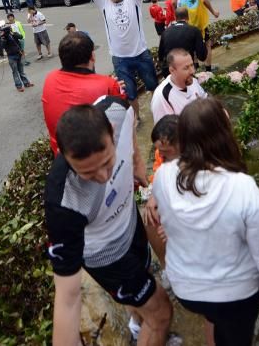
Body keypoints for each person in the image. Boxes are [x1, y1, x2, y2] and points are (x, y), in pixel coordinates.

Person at [44, 100, 171, 346]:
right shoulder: (63, 202)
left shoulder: (118, 111)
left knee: (143, 276)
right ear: (66, 159)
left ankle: (136, 324)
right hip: (106, 255)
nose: (103, 177)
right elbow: (68, 298)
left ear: (112, 132)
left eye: (106, 163)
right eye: (88, 174)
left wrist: (136, 165)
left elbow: (131, 122)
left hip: (129, 222)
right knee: (162, 313)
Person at [148, 99, 259, 345]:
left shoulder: (163, 176)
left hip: (187, 289)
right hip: (236, 293)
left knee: (214, 316)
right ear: (224, 134)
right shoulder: (242, 186)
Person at [71, 0, 159, 102]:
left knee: (153, 86)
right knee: (129, 95)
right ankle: (136, 120)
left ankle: (159, 112)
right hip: (120, 58)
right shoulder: (103, 1)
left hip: (141, 53)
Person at [42, 33, 124, 155]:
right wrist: (118, 91)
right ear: (92, 56)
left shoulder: (50, 79)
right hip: (98, 158)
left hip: (62, 156)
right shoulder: (108, 84)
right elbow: (121, 119)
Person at [171, 0, 219, 71]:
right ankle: (208, 70)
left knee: (189, 46)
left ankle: (195, 69)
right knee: (207, 42)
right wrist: (213, 12)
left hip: (184, 18)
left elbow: (173, 1)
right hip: (199, 17)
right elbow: (204, 0)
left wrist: (178, 16)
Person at [150, 48, 208, 123]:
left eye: (192, 65)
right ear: (172, 70)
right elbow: (164, 132)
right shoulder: (162, 97)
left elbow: (205, 99)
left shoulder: (192, 80)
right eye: (186, 68)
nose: (192, 71)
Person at [0, 22, 33, 92]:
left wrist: (13, 33)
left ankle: (26, 83)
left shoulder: (12, 34)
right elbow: (2, 46)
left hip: (18, 54)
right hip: (11, 56)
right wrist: (3, 37)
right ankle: (18, 86)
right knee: (15, 72)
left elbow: (20, 36)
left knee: (21, 71)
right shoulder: (3, 37)